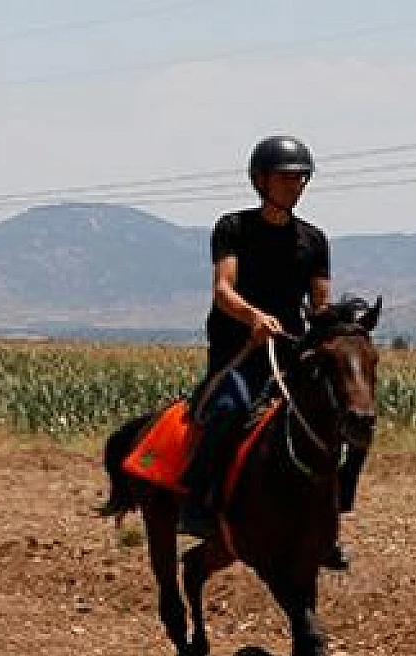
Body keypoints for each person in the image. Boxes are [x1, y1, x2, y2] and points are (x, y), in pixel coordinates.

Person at [177, 135, 354, 571]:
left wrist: (343, 324)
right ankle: (199, 507)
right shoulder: (233, 228)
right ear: (260, 180)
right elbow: (223, 290)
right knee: (226, 411)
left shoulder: (314, 240)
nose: (295, 185)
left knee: (349, 423)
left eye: (301, 178)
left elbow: (319, 306)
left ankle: (330, 522)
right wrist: (254, 318)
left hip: (291, 354)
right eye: (286, 177)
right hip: (240, 350)